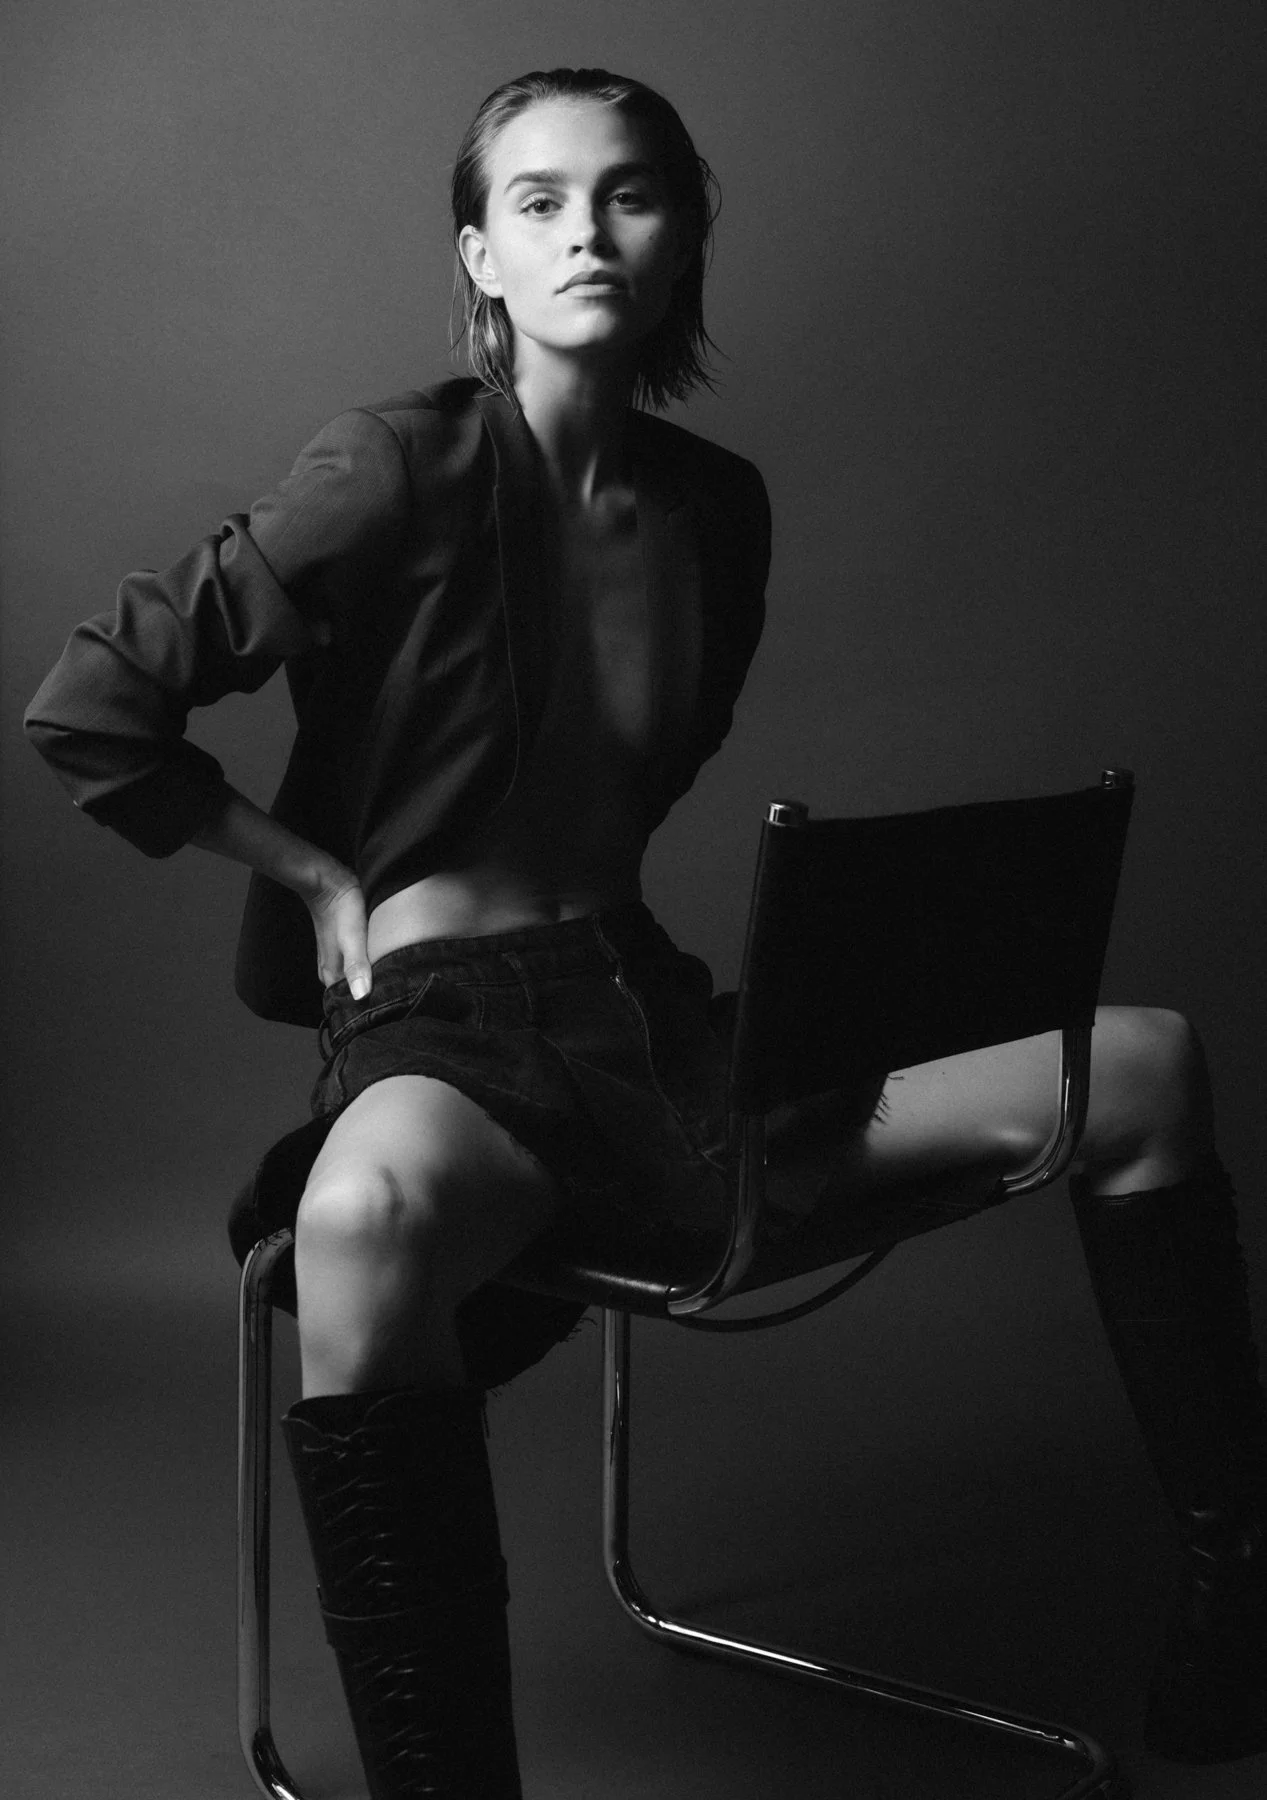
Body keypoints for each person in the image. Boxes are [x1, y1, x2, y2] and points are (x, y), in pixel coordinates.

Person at [24, 65, 1266, 1797]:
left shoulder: (715, 509)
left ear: (682, 237)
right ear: (480, 254)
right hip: (444, 1026)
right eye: (536, 202)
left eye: (628, 194)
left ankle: (1229, 1601)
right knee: (362, 1217)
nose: (585, 233)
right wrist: (313, 879)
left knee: (1138, 1065)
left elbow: (633, 782)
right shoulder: (393, 466)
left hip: (647, 1016)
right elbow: (91, 707)